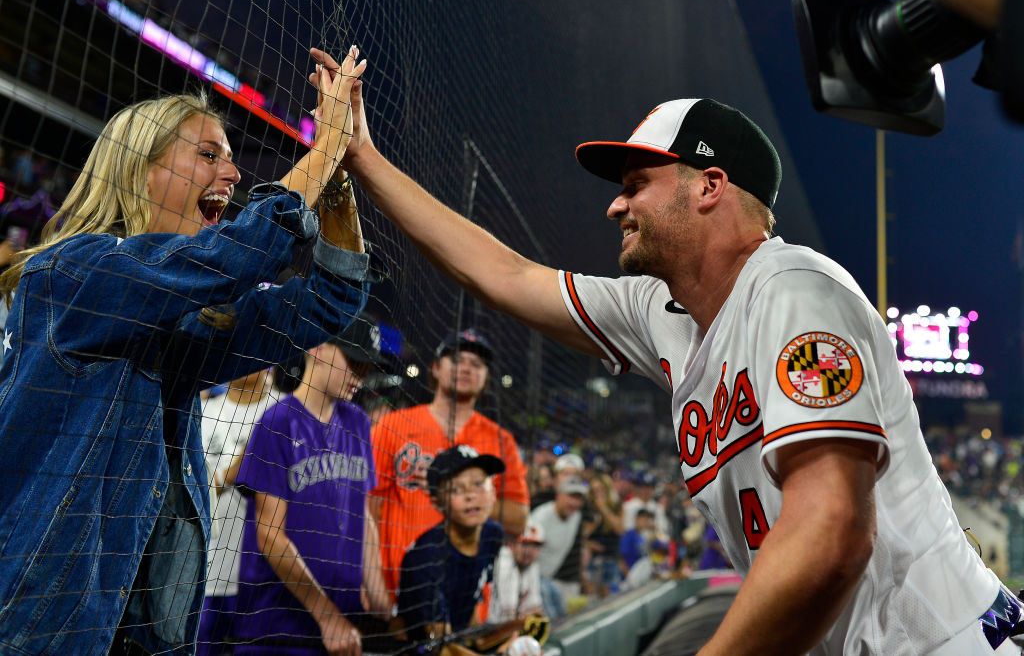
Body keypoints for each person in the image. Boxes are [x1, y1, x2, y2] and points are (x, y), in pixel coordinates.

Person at [340, 81, 1022, 654]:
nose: (615, 203)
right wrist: (363, 156)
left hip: (942, 641)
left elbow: (832, 533)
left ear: (709, 187)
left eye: (637, 184)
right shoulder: (662, 311)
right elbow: (507, 274)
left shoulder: (794, 291)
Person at [0, 46, 372, 655]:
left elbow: (329, 301)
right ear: (138, 169)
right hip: (41, 626)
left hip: (143, 635)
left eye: (230, 158)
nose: (231, 173)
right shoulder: (72, 277)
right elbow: (232, 257)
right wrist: (324, 143)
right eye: (207, 155)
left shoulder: (180, 330)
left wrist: (337, 186)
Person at [233, 317, 391, 656]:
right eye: (353, 361)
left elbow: (362, 513)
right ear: (317, 346)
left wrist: (377, 593)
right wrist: (327, 617)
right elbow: (269, 535)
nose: (361, 375)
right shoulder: (276, 421)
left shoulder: (358, 422)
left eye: (367, 366)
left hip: (345, 627)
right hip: (278, 627)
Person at [370, 328, 530, 600]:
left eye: (476, 364)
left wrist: (465, 495)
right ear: (435, 368)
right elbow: (367, 508)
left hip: (466, 598)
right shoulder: (393, 425)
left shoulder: (502, 441)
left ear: (486, 377)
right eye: (457, 360)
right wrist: (371, 583)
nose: (466, 368)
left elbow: (519, 519)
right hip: (394, 588)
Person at [198, 367, 279, 656]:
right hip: (205, 574)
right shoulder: (202, 411)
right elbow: (188, 489)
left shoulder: (285, 411)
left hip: (266, 579)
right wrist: (232, 472)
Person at [397, 445, 506, 651]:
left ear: (493, 492)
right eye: (455, 489)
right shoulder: (425, 554)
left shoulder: (492, 534)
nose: (470, 495)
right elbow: (443, 646)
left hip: (459, 640)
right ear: (437, 502)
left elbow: (471, 598)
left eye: (479, 484)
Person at [530, 478, 588, 620]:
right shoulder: (541, 517)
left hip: (549, 579)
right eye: (571, 497)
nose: (574, 503)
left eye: (578, 499)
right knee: (552, 621)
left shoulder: (576, 516)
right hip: (532, 579)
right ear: (559, 495)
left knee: (563, 618)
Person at [488, 518, 547, 625]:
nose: (530, 551)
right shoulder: (503, 564)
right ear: (511, 545)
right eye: (525, 545)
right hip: (490, 628)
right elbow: (508, 619)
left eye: (535, 546)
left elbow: (535, 611)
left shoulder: (532, 566)